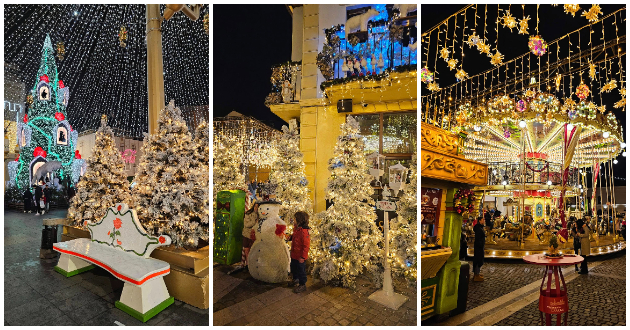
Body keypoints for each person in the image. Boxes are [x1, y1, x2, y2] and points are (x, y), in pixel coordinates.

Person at [286, 211, 311, 293]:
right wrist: (290, 237)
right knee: (294, 268)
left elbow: (306, 246)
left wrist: (303, 257)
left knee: (301, 270)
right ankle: (295, 279)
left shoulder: (304, 231)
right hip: (294, 254)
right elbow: (294, 237)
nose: (293, 219)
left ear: (299, 219)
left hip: (300, 256)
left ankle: (302, 284)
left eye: (295, 218)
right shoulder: (297, 229)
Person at [241, 203, 259, 268]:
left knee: (253, 250)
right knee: (247, 250)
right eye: (255, 206)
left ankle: (252, 264)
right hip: (247, 234)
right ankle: (248, 264)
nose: (256, 208)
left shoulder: (260, 215)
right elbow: (246, 224)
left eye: (258, 207)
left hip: (255, 235)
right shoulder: (248, 213)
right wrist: (254, 221)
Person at [473, 216, 486, 282]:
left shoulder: (480, 228)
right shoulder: (478, 229)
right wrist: (480, 245)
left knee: (479, 259)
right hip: (479, 247)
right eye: (483, 219)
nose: (484, 221)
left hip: (479, 246)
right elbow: (479, 238)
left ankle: (477, 273)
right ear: (480, 221)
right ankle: (476, 275)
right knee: (478, 259)